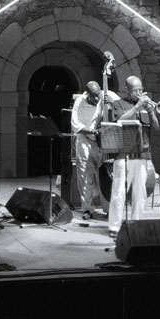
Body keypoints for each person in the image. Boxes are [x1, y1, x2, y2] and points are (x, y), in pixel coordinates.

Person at [108, 76, 159, 238]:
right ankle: (114, 227)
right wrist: (137, 108)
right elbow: (119, 121)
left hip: (142, 153)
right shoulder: (118, 104)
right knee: (118, 192)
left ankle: (137, 223)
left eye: (140, 89)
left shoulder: (145, 106)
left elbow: (155, 126)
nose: (138, 93)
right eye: (135, 90)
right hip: (123, 153)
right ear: (127, 90)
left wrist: (152, 112)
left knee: (140, 191)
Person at [70, 81, 109, 220]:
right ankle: (87, 209)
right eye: (94, 96)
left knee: (105, 175)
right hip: (85, 140)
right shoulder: (79, 102)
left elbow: (120, 105)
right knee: (85, 176)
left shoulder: (105, 96)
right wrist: (93, 131)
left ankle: (109, 209)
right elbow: (76, 125)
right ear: (87, 94)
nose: (97, 99)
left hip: (102, 142)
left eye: (98, 95)